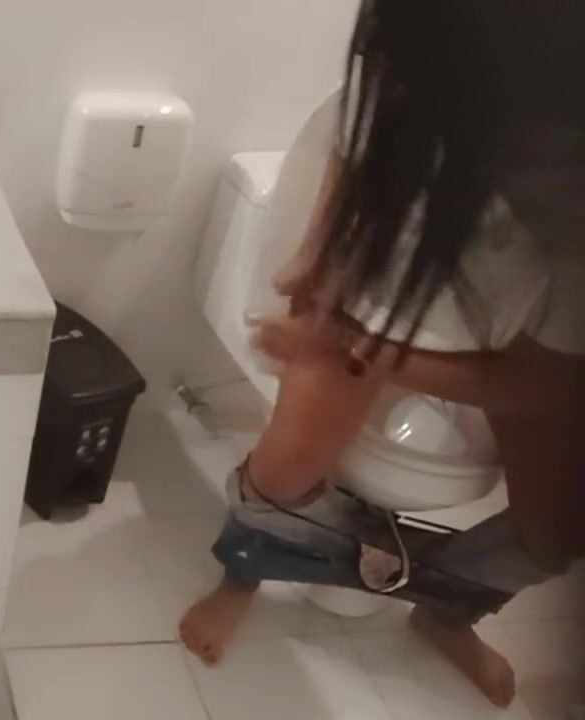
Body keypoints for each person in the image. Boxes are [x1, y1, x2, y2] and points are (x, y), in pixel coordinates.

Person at [177, 0, 585, 709]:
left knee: (557, 531)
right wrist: (316, 264)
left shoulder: (562, 175)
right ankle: (246, 571)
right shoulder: (421, 35)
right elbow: (354, 142)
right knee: (285, 466)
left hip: (526, 326)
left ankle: (445, 609)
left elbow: (541, 384)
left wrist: (351, 345)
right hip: (378, 286)